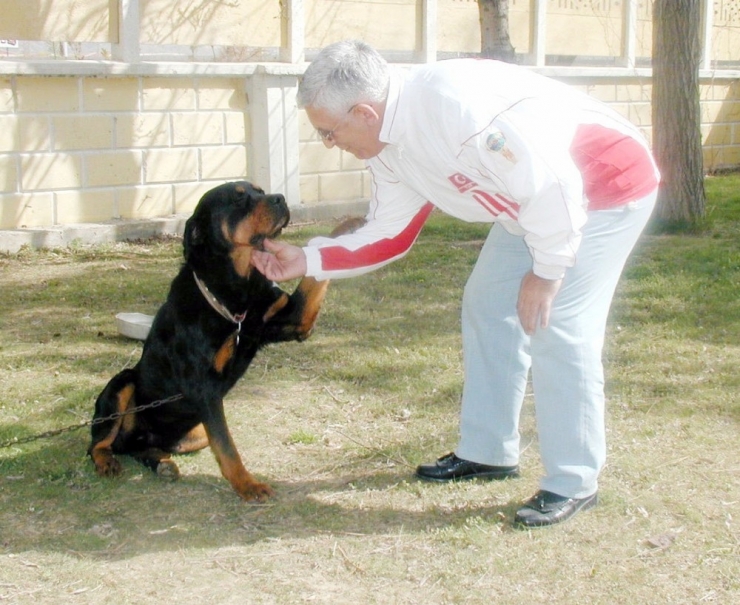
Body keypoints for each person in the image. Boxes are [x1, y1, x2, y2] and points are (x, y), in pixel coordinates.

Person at [251, 40, 659, 528]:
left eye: (328, 133)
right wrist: (308, 258)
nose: (330, 144)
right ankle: (489, 452)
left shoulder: (457, 110)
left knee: (559, 323)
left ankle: (573, 481)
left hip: (605, 184)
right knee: (488, 303)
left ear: (363, 112)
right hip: (531, 202)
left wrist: (547, 274)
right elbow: (390, 233)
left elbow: (554, 187)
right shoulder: (387, 144)